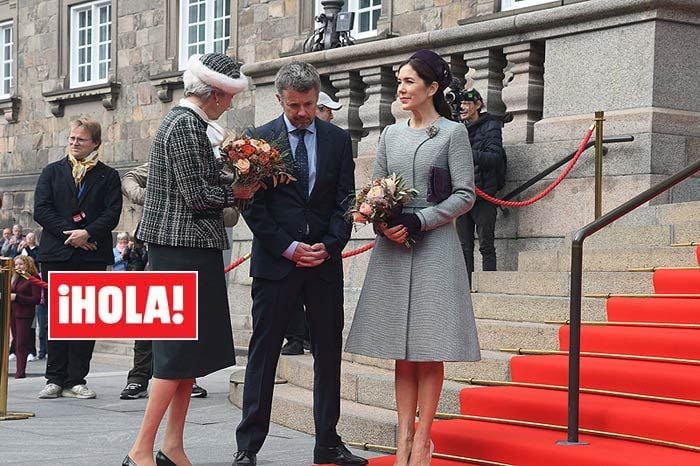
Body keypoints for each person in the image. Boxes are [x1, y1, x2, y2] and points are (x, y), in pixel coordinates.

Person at [345, 49, 481, 466]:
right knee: (401, 349)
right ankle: (402, 438)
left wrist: (421, 219)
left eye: (409, 82)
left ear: (432, 88)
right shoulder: (390, 134)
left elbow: (465, 194)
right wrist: (381, 220)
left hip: (434, 247)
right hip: (393, 247)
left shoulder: (452, 134)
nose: (401, 88)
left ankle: (423, 440)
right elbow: (378, 186)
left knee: (428, 345)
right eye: (399, 81)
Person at [124, 52, 253, 466]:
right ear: (215, 94)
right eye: (228, 97)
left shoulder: (191, 124)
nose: (230, 105)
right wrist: (240, 192)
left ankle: (172, 444)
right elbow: (197, 196)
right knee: (176, 354)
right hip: (181, 249)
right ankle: (141, 449)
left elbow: (198, 186)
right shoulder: (184, 126)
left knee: (188, 355)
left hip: (189, 247)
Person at [234, 61, 364, 466]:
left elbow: (345, 199)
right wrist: (288, 247)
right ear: (280, 100)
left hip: (324, 264)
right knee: (264, 351)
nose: (303, 113)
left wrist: (329, 245)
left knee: (328, 352)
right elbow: (251, 206)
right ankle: (248, 445)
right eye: (294, 106)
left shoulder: (337, 140)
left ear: (317, 97)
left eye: (308, 104)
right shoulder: (258, 140)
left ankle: (327, 440)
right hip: (276, 264)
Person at [118, 160, 231, 400]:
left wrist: (217, 199)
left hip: (195, 244)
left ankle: (187, 377)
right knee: (152, 313)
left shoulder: (221, 168)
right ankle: (138, 376)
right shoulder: (175, 154)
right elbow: (129, 179)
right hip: (160, 242)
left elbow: (231, 217)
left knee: (186, 315)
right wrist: (153, 196)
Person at [34, 118, 123, 399]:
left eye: (81, 140)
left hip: (91, 254)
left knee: (85, 319)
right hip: (57, 254)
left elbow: (112, 213)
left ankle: (77, 378)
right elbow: (42, 210)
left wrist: (88, 233)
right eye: (72, 138)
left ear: (95, 143)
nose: (74, 143)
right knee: (58, 317)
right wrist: (70, 234)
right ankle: (54, 377)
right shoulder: (52, 172)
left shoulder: (108, 176)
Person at [456, 88, 505, 284]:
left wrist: (467, 152)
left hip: (484, 194)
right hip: (461, 193)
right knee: (463, 247)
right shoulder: (457, 128)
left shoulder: (491, 125)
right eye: (461, 104)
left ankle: (489, 288)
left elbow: (495, 158)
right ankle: (465, 291)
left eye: (467, 103)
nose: (463, 108)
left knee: (486, 245)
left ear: (478, 105)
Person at [9, 255, 42, 379]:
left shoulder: (33, 277)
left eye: (21, 264)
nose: (18, 267)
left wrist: (17, 297)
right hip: (13, 313)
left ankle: (20, 373)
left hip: (25, 315)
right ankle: (19, 371)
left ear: (27, 264)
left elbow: (36, 299)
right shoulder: (16, 278)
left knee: (21, 344)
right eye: (16, 265)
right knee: (16, 342)